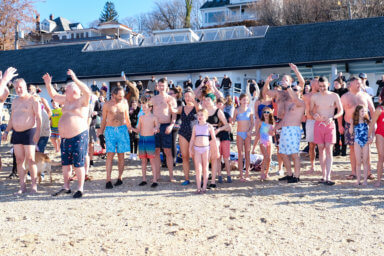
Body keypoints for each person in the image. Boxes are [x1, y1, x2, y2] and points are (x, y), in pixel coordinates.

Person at [43, 70, 90, 198]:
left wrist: (75, 78)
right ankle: (66, 186)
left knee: (78, 164)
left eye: (66, 89)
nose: (64, 91)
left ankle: (80, 188)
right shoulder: (66, 100)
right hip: (64, 138)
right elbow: (53, 95)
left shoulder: (82, 101)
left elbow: (87, 91)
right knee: (65, 164)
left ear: (74, 91)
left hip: (79, 135)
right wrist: (48, 83)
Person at [264, 64, 305, 183]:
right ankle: (290, 173)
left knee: (294, 154)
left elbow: (300, 85)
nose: (294, 90)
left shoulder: (300, 102)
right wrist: (275, 128)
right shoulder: (288, 102)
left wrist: (296, 71)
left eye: (296, 89)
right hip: (285, 129)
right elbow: (284, 119)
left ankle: (296, 176)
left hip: (293, 129)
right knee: (282, 152)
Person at [339, 76, 375, 180]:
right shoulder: (344, 97)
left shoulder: (365, 95)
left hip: (364, 125)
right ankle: (353, 172)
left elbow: (372, 110)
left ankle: (368, 172)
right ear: (350, 85)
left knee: (367, 149)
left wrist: (373, 125)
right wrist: (340, 126)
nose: (360, 85)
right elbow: (341, 113)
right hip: (349, 125)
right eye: (357, 83)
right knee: (352, 149)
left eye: (360, 83)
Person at [310, 77, 343, 185]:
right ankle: (323, 175)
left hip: (330, 124)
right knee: (320, 150)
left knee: (329, 149)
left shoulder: (334, 95)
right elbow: (310, 110)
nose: (322, 88)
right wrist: (314, 115)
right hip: (318, 124)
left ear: (328, 84)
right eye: (320, 86)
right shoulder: (314, 97)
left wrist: (333, 117)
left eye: (324, 86)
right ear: (317, 86)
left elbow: (341, 110)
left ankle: (328, 176)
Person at [99, 86, 132, 189]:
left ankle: (120, 177)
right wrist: (100, 134)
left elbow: (127, 117)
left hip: (122, 130)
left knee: (121, 156)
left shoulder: (125, 103)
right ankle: (108, 179)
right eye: (119, 96)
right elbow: (103, 120)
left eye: (122, 95)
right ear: (113, 95)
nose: (122, 97)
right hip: (110, 131)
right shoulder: (107, 105)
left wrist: (130, 129)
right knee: (110, 155)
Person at [150, 78, 177, 182]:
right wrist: (153, 125)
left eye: (163, 86)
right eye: (159, 85)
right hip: (156, 126)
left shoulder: (171, 99)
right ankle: (157, 175)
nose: (161, 87)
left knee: (168, 151)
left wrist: (171, 125)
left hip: (166, 125)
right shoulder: (153, 99)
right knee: (156, 151)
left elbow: (174, 115)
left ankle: (171, 176)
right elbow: (148, 112)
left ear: (167, 87)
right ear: (157, 86)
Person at [175, 88, 200, 185]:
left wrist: (194, 101)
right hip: (183, 132)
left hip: (194, 134)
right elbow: (173, 110)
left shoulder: (196, 107)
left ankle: (198, 177)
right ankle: (187, 178)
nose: (187, 98)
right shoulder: (182, 108)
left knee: (195, 157)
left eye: (189, 96)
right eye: (185, 96)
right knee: (185, 156)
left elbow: (200, 109)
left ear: (193, 97)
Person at [133, 97, 159, 188]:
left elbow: (158, 128)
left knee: (152, 160)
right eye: (142, 107)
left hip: (150, 139)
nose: (143, 109)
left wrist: (156, 129)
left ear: (150, 108)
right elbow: (138, 129)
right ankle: (144, 179)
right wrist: (130, 128)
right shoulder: (141, 117)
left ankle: (155, 180)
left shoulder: (154, 118)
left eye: (145, 107)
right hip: (142, 139)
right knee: (143, 161)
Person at [189, 109, 217, 193]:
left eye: (201, 115)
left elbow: (214, 139)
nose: (199, 117)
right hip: (197, 149)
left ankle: (204, 186)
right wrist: (190, 149)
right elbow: (192, 139)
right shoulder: (195, 126)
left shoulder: (209, 126)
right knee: (198, 169)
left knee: (205, 168)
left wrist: (216, 150)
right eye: (198, 115)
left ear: (206, 116)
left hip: (206, 149)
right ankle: (198, 187)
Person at [205, 93, 229, 187]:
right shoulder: (203, 111)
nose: (206, 102)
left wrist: (219, 129)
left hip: (215, 136)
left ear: (213, 100)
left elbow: (227, 125)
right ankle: (206, 178)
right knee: (205, 158)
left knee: (214, 158)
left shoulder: (218, 111)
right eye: (205, 100)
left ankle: (213, 181)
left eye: (208, 100)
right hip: (204, 136)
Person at [232, 94, 254, 181]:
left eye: (246, 100)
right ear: (240, 101)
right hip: (239, 134)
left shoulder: (250, 110)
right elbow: (233, 121)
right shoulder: (236, 110)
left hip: (247, 134)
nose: (245, 101)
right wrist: (230, 121)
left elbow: (252, 123)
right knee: (240, 154)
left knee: (247, 154)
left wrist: (250, 131)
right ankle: (241, 174)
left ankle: (247, 173)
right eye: (243, 100)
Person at [349, 105, 372, 186]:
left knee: (365, 161)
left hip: (365, 142)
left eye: (365, 111)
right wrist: (351, 124)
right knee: (358, 162)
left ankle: (365, 180)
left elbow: (371, 131)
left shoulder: (367, 121)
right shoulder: (354, 121)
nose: (364, 113)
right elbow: (351, 132)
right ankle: (358, 180)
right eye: (362, 111)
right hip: (357, 142)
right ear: (358, 112)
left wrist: (371, 137)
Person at [302, 77, 319, 172]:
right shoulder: (306, 96)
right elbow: (302, 108)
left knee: (322, 145)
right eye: (316, 83)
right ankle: (312, 165)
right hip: (310, 121)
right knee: (311, 145)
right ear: (312, 85)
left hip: (321, 121)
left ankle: (323, 164)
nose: (318, 85)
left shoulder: (323, 95)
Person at [368, 89, 384, 187]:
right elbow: (372, 124)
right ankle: (378, 179)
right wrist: (370, 136)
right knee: (381, 157)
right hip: (380, 134)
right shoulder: (379, 109)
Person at [255, 107, 274, 181]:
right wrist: (254, 147)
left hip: (269, 142)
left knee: (269, 159)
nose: (266, 113)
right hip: (262, 142)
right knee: (265, 157)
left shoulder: (271, 123)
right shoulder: (260, 122)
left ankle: (266, 173)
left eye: (268, 112)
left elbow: (273, 133)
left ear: (270, 114)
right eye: (265, 112)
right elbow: (257, 133)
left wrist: (271, 132)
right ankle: (262, 173)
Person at [216, 97, 232, 183]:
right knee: (218, 158)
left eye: (221, 104)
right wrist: (224, 127)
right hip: (217, 138)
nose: (219, 106)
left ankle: (229, 175)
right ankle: (219, 175)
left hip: (225, 138)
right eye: (217, 104)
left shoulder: (227, 115)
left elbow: (229, 128)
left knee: (226, 158)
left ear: (224, 105)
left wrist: (220, 129)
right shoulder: (214, 115)